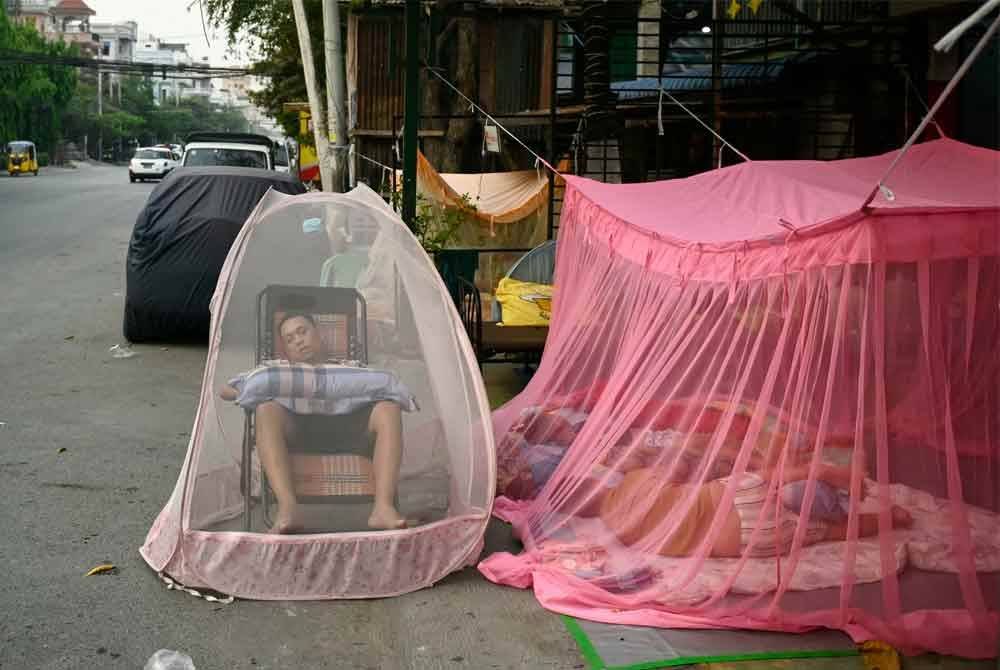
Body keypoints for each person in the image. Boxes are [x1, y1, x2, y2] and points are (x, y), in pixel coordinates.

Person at [221, 313, 407, 533]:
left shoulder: (350, 366)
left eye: (302, 331)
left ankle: (382, 508)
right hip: (300, 431)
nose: (298, 340)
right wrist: (249, 391)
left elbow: (382, 388)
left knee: (388, 407)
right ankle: (288, 509)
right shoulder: (277, 370)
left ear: (318, 333)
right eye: (290, 339)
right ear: (287, 350)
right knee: (266, 408)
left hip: (350, 429)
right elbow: (224, 390)